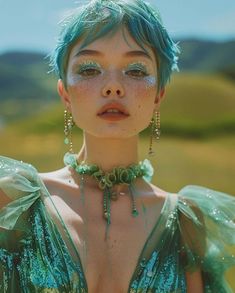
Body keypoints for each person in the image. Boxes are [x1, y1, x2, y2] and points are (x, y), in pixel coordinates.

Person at [0, 0, 235, 292]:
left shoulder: (185, 224)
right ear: (65, 93)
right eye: (89, 69)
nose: (113, 86)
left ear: (159, 94)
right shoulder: (14, 203)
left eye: (135, 70)